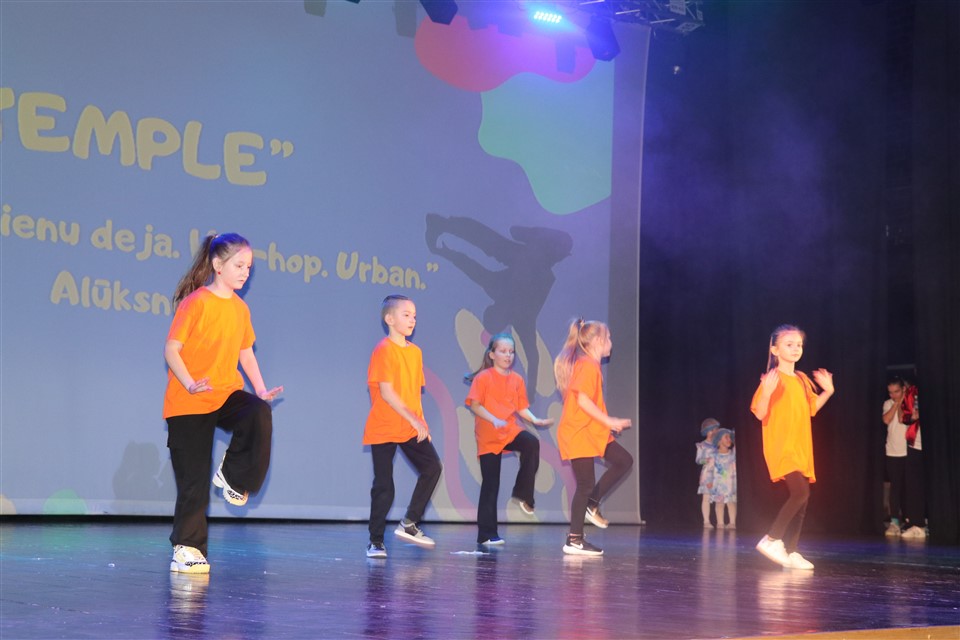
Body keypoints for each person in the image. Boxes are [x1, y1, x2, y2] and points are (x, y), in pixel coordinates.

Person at [163, 233, 283, 574]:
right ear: (218, 265)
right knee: (194, 480)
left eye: (249, 267)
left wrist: (260, 389)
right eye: (239, 265)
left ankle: (233, 477)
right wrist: (189, 382)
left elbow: (245, 353)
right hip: (189, 400)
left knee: (257, 412)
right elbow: (171, 349)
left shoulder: (240, 309)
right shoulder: (196, 302)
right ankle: (187, 549)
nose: (245, 272)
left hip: (223, 393)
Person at [363, 295, 443, 558]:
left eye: (414, 316)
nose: (412, 320)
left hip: (409, 425)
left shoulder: (415, 352)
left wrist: (422, 422)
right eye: (406, 315)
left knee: (432, 468)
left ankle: (410, 523)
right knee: (384, 486)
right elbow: (387, 393)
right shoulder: (383, 350)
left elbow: (414, 393)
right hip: (385, 425)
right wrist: (413, 419)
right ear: (390, 319)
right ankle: (375, 541)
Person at [751, 324, 833, 571]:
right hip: (782, 445)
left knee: (803, 501)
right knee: (800, 493)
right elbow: (760, 413)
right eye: (789, 344)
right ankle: (772, 539)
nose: (796, 348)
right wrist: (767, 392)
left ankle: (792, 550)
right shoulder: (773, 379)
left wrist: (828, 391)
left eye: (799, 345)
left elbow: (811, 409)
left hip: (801, 446)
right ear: (775, 349)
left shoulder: (802, 379)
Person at [553, 318, 634, 556]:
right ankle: (574, 540)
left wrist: (605, 424)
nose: (611, 342)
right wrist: (609, 421)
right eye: (608, 338)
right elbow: (583, 400)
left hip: (590, 432)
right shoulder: (588, 365)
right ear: (598, 341)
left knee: (623, 461)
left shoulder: (589, 365)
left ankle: (592, 503)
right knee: (585, 484)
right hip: (579, 432)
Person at [465, 333, 554, 546]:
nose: (508, 355)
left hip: (509, 430)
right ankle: (486, 534)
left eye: (511, 352)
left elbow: (521, 408)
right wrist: (493, 419)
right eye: (503, 351)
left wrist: (535, 420)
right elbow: (475, 405)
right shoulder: (483, 378)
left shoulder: (517, 380)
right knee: (491, 483)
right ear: (492, 354)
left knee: (531, 442)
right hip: (488, 435)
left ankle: (523, 494)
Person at [881, 378, 909, 536]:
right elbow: (886, 419)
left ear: (903, 389)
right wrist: (896, 403)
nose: (893, 395)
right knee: (895, 487)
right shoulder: (888, 403)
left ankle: (911, 520)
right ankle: (894, 522)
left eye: (896, 391)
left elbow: (901, 419)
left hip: (909, 451)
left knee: (909, 488)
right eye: (890, 392)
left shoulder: (910, 402)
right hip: (892, 451)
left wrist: (902, 402)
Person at [709, 428, 737, 530]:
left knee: (731, 503)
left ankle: (732, 522)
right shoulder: (714, 455)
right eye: (726, 437)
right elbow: (709, 469)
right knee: (719, 503)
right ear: (719, 440)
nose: (729, 439)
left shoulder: (733, 454)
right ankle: (720, 523)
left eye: (730, 437)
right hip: (719, 485)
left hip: (731, 484)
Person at [697, 418, 720, 528]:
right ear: (707, 431)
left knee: (719, 498)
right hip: (707, 474)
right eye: (712, 430)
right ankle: (706, 521)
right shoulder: (702, 445)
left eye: (715, 430)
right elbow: (698, 460)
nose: (714, 432)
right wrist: (706, 460)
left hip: (717, 474)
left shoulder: (717, 445)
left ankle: (720, 522)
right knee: (706, 497)